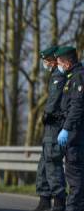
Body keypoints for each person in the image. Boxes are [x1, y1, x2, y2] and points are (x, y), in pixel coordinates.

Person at [33, 46, 67, 211]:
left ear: (54, 60)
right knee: (44, 164)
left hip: (55, 125)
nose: (45, 64)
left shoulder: (60, 76)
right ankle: (44, 198)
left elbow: (54, 101)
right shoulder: (54, 75)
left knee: (52, 162)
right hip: (50, 126)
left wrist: (47, 114)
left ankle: (59, 200)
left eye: (46, 61)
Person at [55, 46, 84, 211]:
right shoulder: (73, 77)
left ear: (66, 62)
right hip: (75, 134)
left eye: (59, 62)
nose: (58, 65)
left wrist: (66, 128)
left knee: (75, 180)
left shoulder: (78, 77)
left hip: (76, 135)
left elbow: (77, 107)